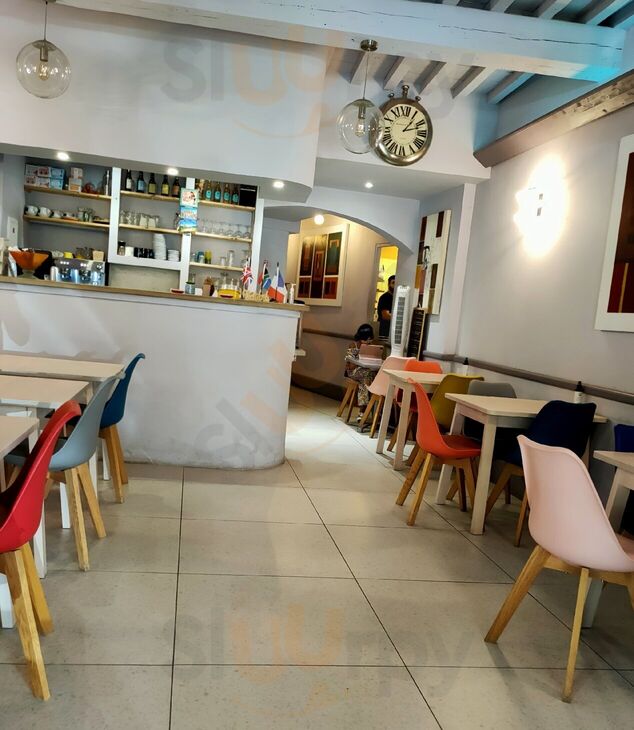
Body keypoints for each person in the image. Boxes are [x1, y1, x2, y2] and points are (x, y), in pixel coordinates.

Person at [345, 323, 375, 418]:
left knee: (366, 379)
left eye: (370, 340)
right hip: (352, 372)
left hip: (365, 373)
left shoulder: (371, 347)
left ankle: (363, 411)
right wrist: (361, 354)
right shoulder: (353, 345)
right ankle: (364, 410)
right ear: (361, 337)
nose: (368, 342)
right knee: (367, 376)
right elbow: (351, 366)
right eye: (366, 340)